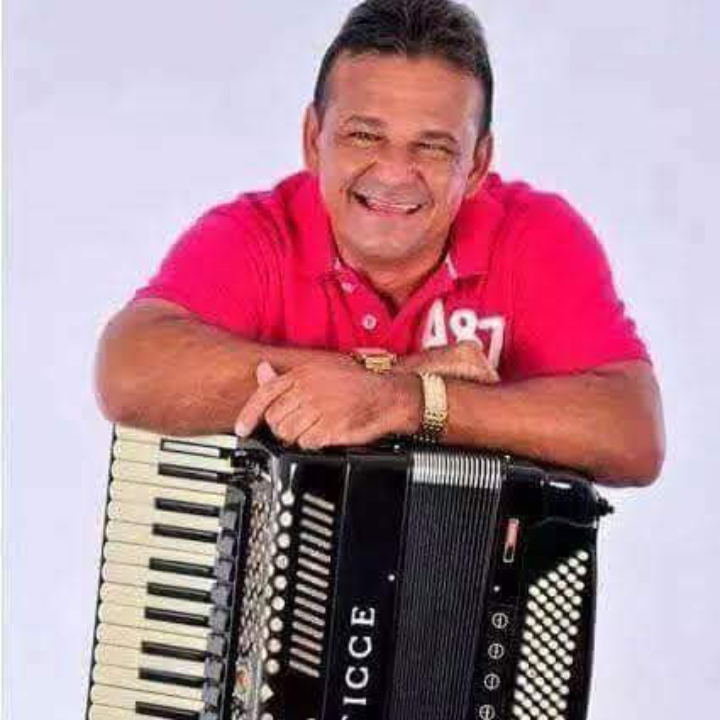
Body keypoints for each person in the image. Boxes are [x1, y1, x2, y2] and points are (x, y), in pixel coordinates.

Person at [95, 0, 665, 486]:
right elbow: (128, 370)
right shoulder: (255, 236)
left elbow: (633, 433)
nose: (393, 173)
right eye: (364, 135)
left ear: (477, 164)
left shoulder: (535, 238)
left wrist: (404, 400)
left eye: (433, 146)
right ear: (313, 139)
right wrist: (387, 370)